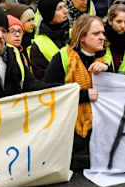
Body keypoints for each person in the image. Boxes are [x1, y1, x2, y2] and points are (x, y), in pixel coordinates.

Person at [43, 15, 108, 157]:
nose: (102, 37)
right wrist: (83, 95)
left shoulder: (105, 60)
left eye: (103, 33)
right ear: (82, 37)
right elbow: (50, 92)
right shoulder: (63, 57)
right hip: (70, 133)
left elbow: (115, 95)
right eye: (96, 34)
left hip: (99, 135)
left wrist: (107, 72)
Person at [29, 0, 70, 79]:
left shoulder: (74, 33)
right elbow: (42, 77)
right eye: (59, 8)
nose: (66, 11)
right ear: (49, 14)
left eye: (65, 6)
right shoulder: (38, 45)